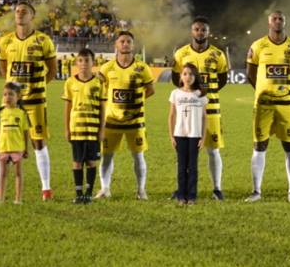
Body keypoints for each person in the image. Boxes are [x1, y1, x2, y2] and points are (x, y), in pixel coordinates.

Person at [0, 1, 58, 201]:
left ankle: (46, 189)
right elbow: (4, 69)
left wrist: (36, 87)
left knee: (38, 142)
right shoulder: (6, 41)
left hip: (35, 101)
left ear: (32, 16)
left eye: (25, 11)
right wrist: (12, 91)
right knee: (5, 144)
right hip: (11, 103)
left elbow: (52, 71)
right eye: (17, 11)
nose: (20, 13)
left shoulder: (43, 40)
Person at [245, 11, 290, 203]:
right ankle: (256, 191)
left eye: (281, 19)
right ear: (269, 22)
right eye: (274, 19)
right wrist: (263, 91)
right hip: (263, 105)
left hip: (286, 104)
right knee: (259, 146)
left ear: (285, 22)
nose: (278, 21)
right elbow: (250, 73)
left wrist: (285, 90)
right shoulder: (258, 45)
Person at [171, 16, 229, 200]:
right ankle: (182, 189)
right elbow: (175, 79)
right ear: (192, 31)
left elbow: (222, 80)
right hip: (186, 111)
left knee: (213, 150)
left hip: (210, 110)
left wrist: (204, 94)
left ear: (208, 32)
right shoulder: (181, 54)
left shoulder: (218, 55)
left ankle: (217, 188)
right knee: (184, 153)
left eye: (203, 30)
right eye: (197, 29)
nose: (200, 32)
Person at [95, 31, 156, 200]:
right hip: (111, 120)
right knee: (107, 156)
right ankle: (105, 189)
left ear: (133, 45)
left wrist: (136, 101)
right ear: (116, 44)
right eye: (122, 41)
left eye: (128, 41)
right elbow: (99, 89)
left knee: (138, 155)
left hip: (135, 120)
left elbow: (150, 90)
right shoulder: (107, 68)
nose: (125, 44)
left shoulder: (142, 67)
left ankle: (141, 190)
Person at [62, 49, 105, 204]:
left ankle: (88, 193)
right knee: (77, 161)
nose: (84, 64)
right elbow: (67, 107)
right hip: (77, 129)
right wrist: (67, 128)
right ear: (76, 63)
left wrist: (102, 130)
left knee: (91, 161)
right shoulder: (70, 82)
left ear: (93, 63)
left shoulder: (99, 82)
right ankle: (78, 193)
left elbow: (102, 107)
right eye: (81, 60)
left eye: (87, 60)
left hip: (93, 130)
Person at [169, 63, 208, 206]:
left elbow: (204, 117)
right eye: (185, 73)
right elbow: (171, 116)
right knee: (181, 166)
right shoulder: (175, 93)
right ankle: (181, 196)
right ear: (180, 76)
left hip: (194, 135)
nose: (188, 76)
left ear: (195, 77)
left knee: (193, 167)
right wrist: (172, 136)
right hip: (180, 134)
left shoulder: (200, 94)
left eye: (191, 74)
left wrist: (203, 137)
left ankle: (191, 196)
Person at [0, 82, 29, 204]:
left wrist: (26, 149)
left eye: (11, 94)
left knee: (18, 174)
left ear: (18, 97)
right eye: (5, 94)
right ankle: (1, 198)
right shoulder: (0, 112)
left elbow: (25, 132)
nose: (7, 97)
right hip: (3, 147)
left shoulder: (22, 113)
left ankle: (18, 199)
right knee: (2, 174)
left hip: (17, 148)